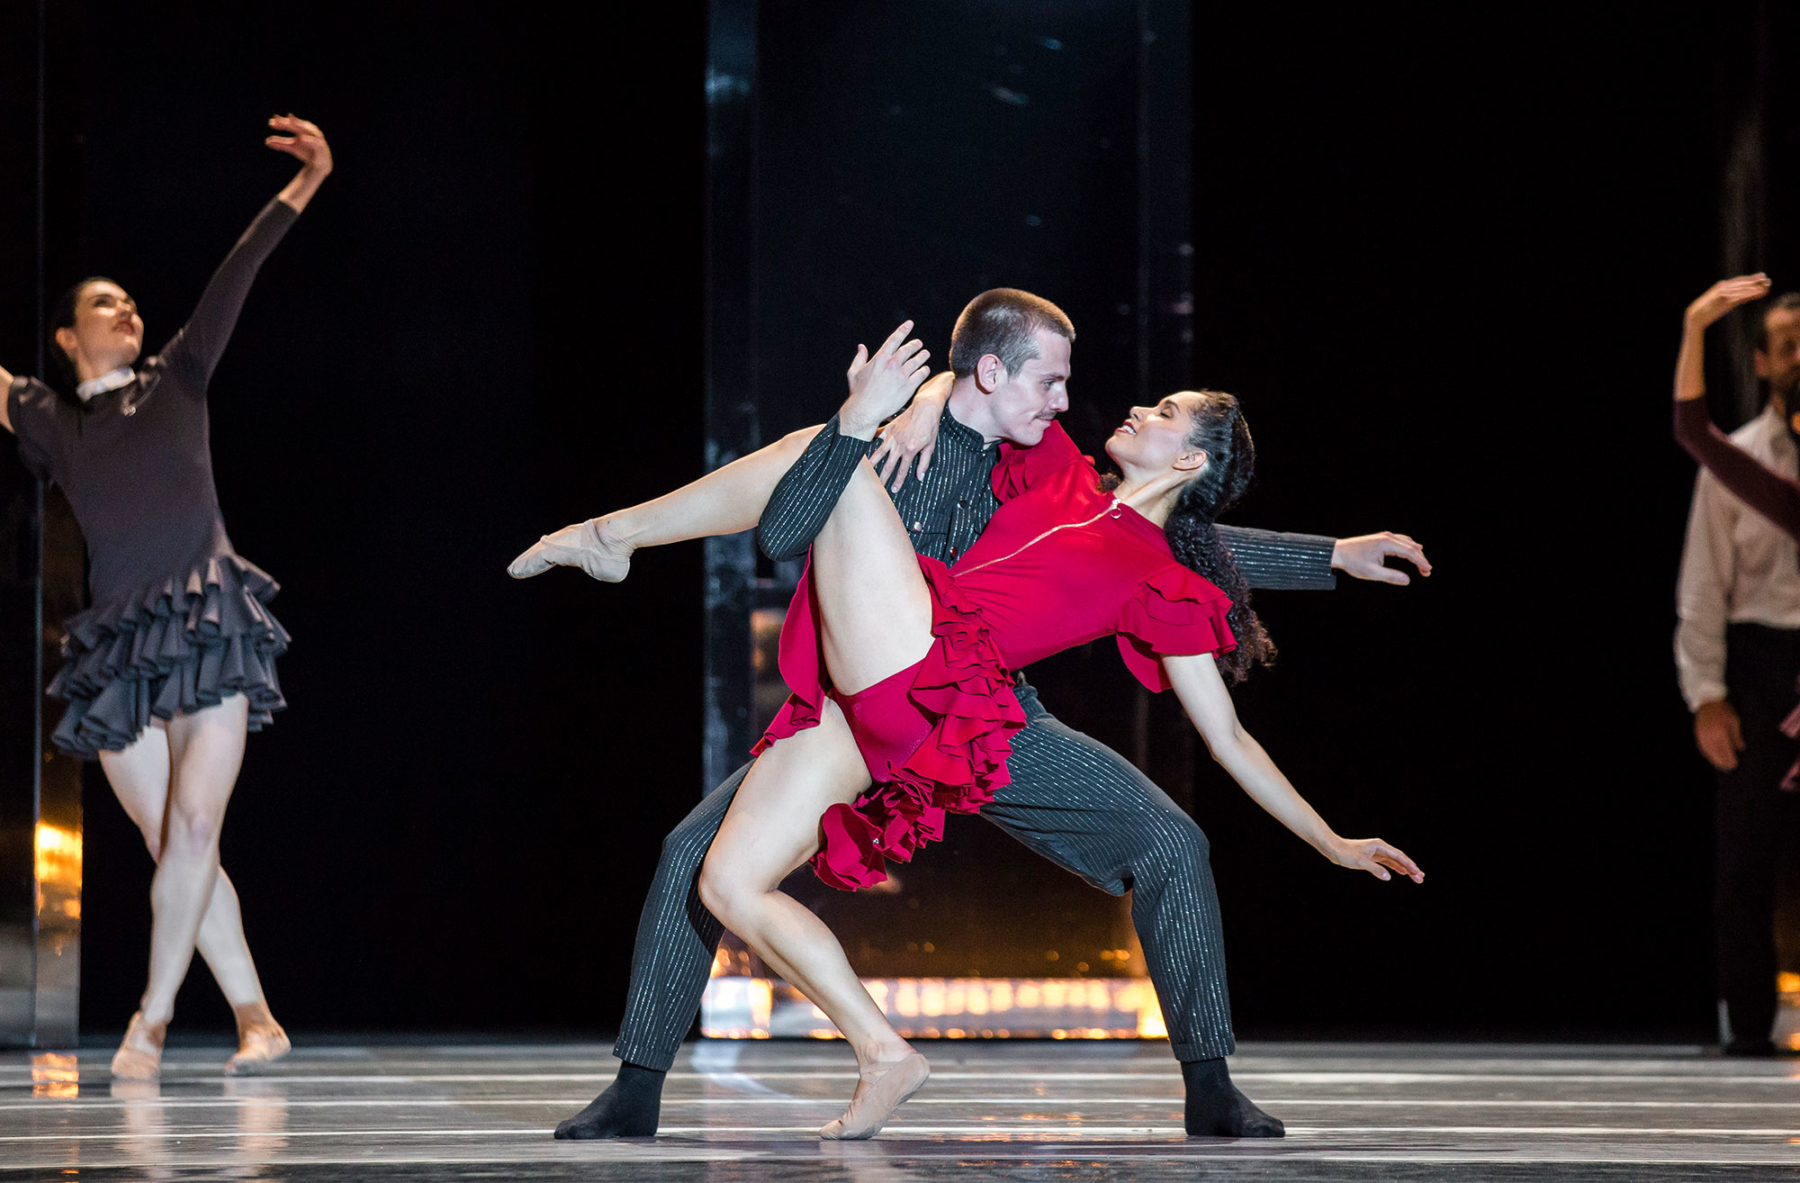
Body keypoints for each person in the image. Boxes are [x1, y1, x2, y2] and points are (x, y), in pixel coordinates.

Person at [514, 290, 1430, 1136]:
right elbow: (827, 502)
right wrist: (911, 402)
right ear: (991, 376)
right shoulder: (986, 450)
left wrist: (1333, 556)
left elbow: (1182, 542)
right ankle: (637, 1090)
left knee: (1171, 840)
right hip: (873, 685)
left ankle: (1211, 1087)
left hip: (984, 710)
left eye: (1156, 411)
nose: (1078, 403)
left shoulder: (1056, 466)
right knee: (701, 859)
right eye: (1051, 381)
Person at [0, 116, 332, 1079]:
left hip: (206, 626)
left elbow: (241, 266)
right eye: (108, 305)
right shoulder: (50, 420)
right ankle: (256, 1015)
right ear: (68, 337)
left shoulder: (179, 377)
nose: (128, 310)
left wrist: (308, 182)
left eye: (132, 301)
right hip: (114, 651)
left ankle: (147, 1021)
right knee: (166, 839)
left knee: (193, 828)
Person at [1672, 274, 1800, 1056]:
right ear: (1762, 360)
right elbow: (1700, 587)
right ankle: (1749, 1029)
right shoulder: (1741, 463)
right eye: (1789, 346)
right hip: (1763, 657)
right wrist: (1707, 693)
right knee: (1748, 851)